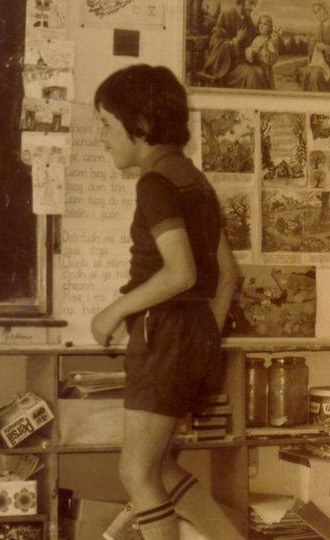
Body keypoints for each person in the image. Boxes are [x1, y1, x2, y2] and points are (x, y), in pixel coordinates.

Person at [91, 65, 241, 539]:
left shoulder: (154, 184)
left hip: (166, 335)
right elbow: (228, 275)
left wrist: (115, 311)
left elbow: (181, 272)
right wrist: (203, 338)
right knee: (163, 467)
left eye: (106, 126)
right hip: (192, 335)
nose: (102, 138)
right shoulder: (195, 180)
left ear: (140, 127)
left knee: (136, 474)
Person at [201, 0, 271, 89]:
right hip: (227, 66)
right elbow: (215, 43)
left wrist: (265, 39)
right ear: (242, 0)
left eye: (255, 4)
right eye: (250, 3)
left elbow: (254, 39)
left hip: (243, 62)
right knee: (251, 75)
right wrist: (236, 40)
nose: (252, 8)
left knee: (260, 72)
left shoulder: (248, 20)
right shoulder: (226, 15)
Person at [300, 0, 330, 92]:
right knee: (305, 73)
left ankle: (318, 103)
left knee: (315, 75)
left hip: (328, 64)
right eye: (315, 12)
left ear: (327, 9)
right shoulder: (319, 27)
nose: (317, 14)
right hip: (321, 63)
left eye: (319, 10)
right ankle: (305, 102)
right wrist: (311, 44)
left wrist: (325, 48)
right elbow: (314, 50)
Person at [245, 14, 280, 88]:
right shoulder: (256, 39)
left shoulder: (271, 41)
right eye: (260, 23)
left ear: (269, 27)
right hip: (254, 68)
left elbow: (273, 59)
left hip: (264, 71)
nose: (261, 26)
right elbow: (249, 56)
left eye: (265, 24)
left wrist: (267, 50)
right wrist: (251, 52)